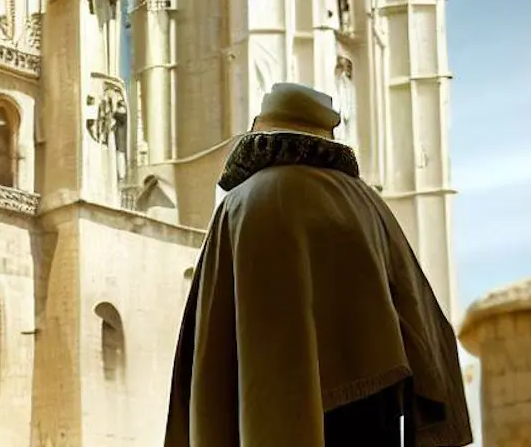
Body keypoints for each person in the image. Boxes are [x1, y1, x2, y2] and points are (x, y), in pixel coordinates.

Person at [164, 83, 472, 447]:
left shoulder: (240, 205)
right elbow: (419, 312)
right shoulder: (367, 203)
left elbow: (210, 344)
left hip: (261, 403)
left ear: (261, 131)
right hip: (368, 409)